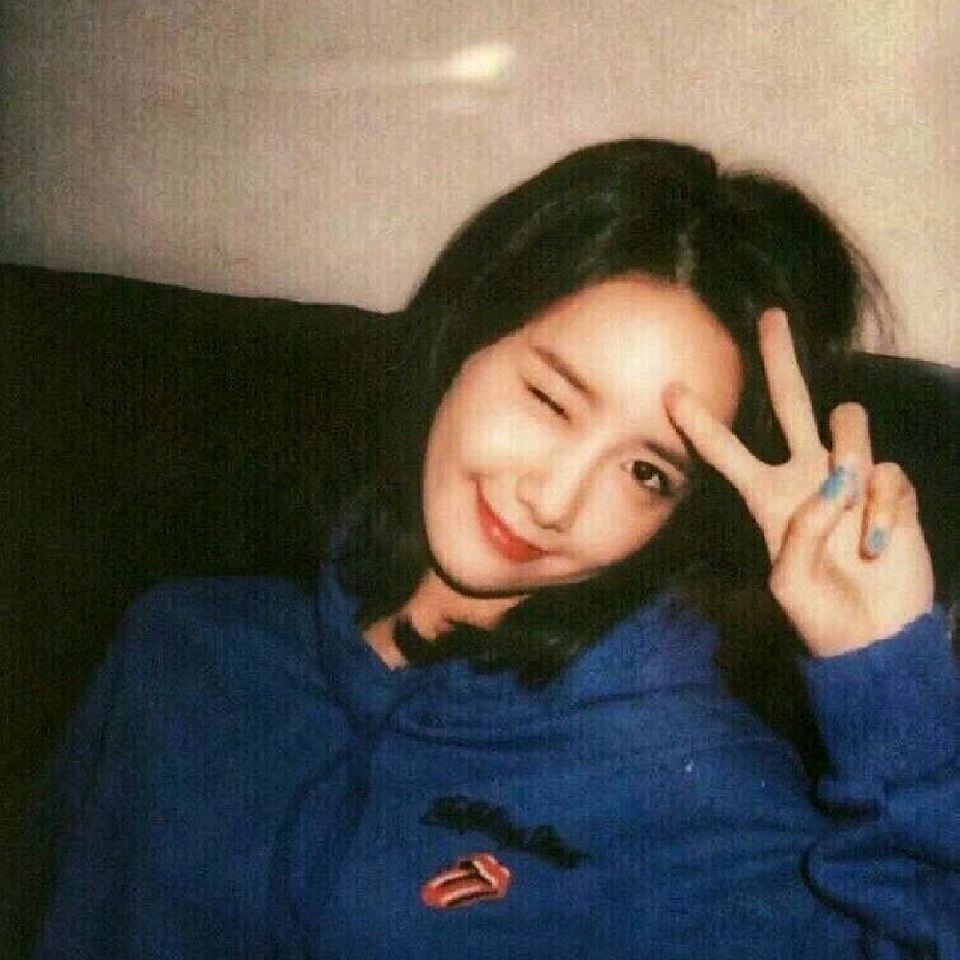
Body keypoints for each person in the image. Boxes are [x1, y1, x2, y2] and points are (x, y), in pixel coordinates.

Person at [33, 139, 958, 959]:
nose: (554, 501)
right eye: (551, 399)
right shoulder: (183, 651)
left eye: (646, 472)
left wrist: (887, 676)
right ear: (463, 336)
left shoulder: (688, 785)